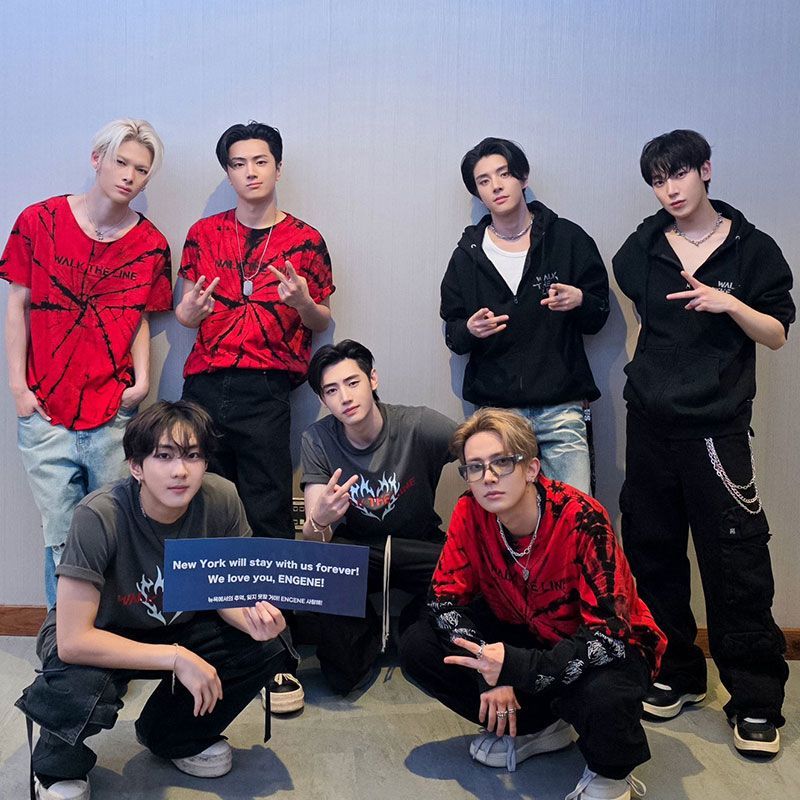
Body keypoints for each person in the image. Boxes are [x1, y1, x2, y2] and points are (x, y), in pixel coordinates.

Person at [613, 129, 794, 756]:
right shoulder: (643, 249)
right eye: (658, 180)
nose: (670, 189)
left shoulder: (752, 249)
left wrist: (728, 303)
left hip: (717, 428)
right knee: (652, 551)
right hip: (649, 423)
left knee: (735, 562)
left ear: (706, 170)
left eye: (679, 173)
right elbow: (642, 315)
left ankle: (756, 701)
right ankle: (676, 672)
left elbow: (776, 334)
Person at [15, 401, 298, 800]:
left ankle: (173, 736)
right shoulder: (99, 515)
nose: (180, 471)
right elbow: (73, 640)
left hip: (181, 622)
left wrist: (254, 621)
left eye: (193, 456)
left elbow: (225, 595)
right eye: (164, 456)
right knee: (76, 682)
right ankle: (55, 765)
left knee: (268, 644)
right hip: (101, 628)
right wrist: (176, 657)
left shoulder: (221, 499)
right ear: (136, 466)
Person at [400, 409, 665, 800]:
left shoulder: (582, 518)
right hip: (525, 630)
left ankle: (611, 774)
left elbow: (608, 637)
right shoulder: (470, 511)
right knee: (418, 645)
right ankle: (537, 728)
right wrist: (489, 673)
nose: (488, 477)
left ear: (531, 469)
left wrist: (513, 667)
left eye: (501, 462)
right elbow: (443, 601)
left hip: (605, 645)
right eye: (475, 467)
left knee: (603, 693)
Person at [176, 121, 334, 711]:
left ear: (277, 166)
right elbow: (185, 314)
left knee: (267, 512)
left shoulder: (306, 239)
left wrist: (303, 302)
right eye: (239, 163)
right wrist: (191, 311)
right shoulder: (203, 233)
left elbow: (321, 321)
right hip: (204, 384)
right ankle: (197, 645)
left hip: (268, 387)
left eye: (260, 160)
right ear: (228, 172)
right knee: (195, 509)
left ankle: (275, 654)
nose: (250, 171)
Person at [1, 119, 173, 609]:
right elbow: (17, 305)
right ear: (97, 159)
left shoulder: (151, 244)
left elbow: (139, 316)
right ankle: (63, 641)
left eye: (142, 170)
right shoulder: (40, 221)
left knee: (117, 530)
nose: (130, 176)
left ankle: (109, 635)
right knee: (60, 536)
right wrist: (18, 388)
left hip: (114, 412)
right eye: (121, 162)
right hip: (46, 410)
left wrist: (141, 383)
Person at [440, 137, 609, 495]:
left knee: (574, 513)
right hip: (497, 414)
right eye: (484, 180)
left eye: (504, 174)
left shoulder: (567, 239)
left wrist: (579, 300)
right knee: (504, 515)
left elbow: (599, 315)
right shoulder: (467, 254)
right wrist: (470, 329)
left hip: (561, 407)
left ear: (523, 177)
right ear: (477, 192)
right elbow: (453, 334)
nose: (496, 186)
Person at [300, 339, 457, 693]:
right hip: (359, 549)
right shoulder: (318, 439)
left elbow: (479, 444)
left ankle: (413, 625)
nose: (345, 397)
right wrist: (320, 520)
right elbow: (315, 540)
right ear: (323, 400)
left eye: (352, 382)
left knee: (469, 576)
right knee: (341, 678)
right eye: (331, 390)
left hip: (419, 544)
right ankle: (364, 637)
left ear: (373, 379)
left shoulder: (418, 424)